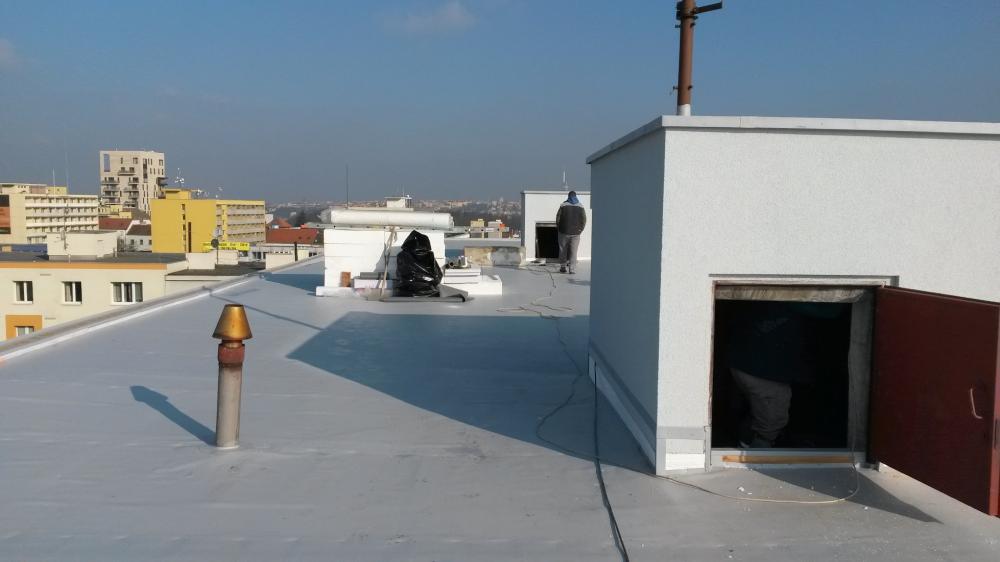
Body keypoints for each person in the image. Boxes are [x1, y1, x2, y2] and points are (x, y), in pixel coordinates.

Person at [555, 191, 587, 274]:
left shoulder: (563, 205)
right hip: (576, 233)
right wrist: (580, 229)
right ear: (576, 196)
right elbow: (584, 219)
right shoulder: (581, 206)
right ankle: (572, 269)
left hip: (563, 232)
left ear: (568, 196)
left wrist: (559, 228)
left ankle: (563, 267)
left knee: (563, 249)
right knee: (574, 251)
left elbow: (558, 218)